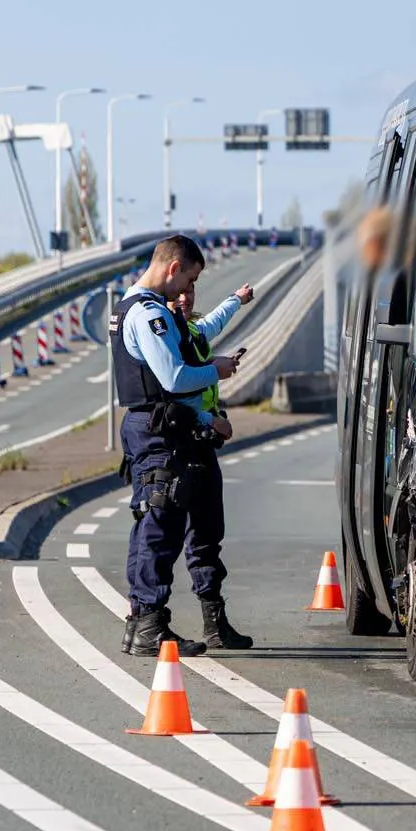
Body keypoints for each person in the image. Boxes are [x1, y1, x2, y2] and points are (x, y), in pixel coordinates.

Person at [112, 236, 241, 657]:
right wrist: (215, 369)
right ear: (173, 268)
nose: (186, 289)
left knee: (155, 522)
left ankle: (143, 623)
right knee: (160, 527)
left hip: (158, 426)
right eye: (189, 276)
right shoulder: (151, 314)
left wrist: (204, 419)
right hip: (159, 432)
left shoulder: (129, 307)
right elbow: (174, 379)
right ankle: (149, 625)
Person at [169, 278, 255, 650]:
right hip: (179, 444)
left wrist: (237, 299)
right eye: (180, 292)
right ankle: (150, 621)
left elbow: (214, 322)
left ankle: (215, 623)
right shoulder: (166, 335)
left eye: (191, 292)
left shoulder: (192, 330)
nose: (186, 298)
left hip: (202, 445)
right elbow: (172, 387)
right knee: (166, 537)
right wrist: (210, 421)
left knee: (207, 533)